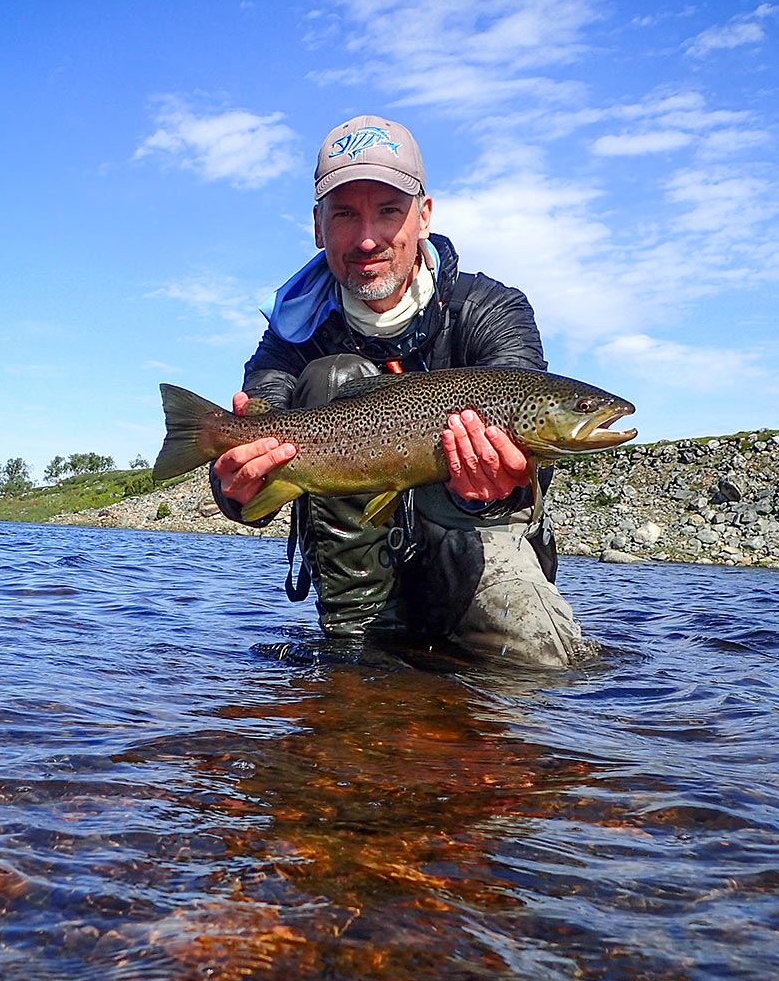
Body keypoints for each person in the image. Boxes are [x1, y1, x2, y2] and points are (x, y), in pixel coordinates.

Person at [210, 116, 592, 668]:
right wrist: (235, 486)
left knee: (541, 670)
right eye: (345, 214)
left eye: (389, 210)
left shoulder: (491, 310)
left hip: (481, 549)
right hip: (354, 587)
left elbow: (524, 394)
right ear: (319, 227)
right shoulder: (292, 331)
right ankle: (354, 654)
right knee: (331, 377)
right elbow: (251, 437)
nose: (368, 238)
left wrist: (496, 483)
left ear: (425, 215)